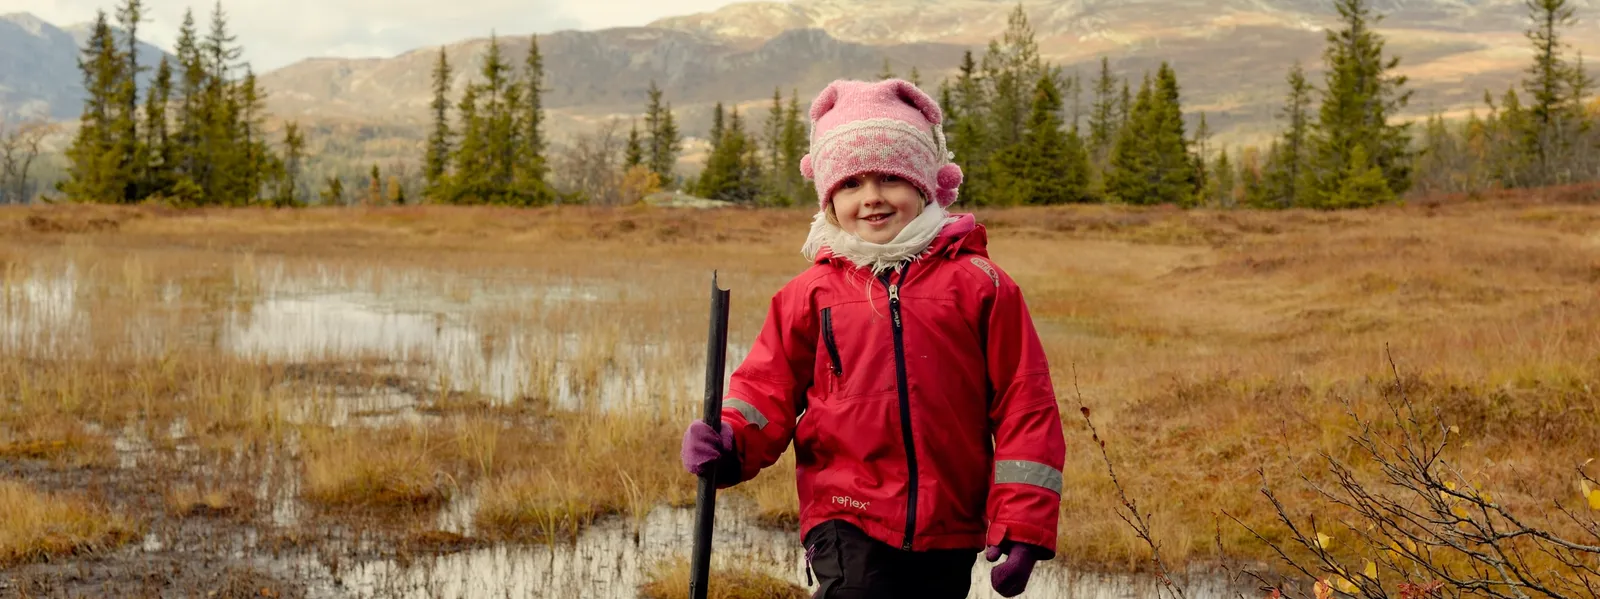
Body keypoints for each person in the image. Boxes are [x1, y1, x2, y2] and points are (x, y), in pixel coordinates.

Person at [680, 77, 1066, 599]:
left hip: (949, 524)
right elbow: (765, 390)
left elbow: (1026, 406)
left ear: (925, 185)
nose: (872, 198)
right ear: (828, 198)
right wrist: (729, 440)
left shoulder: (981, 285)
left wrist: (1023, 521)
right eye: (851, 184)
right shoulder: (809, 294)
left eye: (890, 177)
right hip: (846, 515)